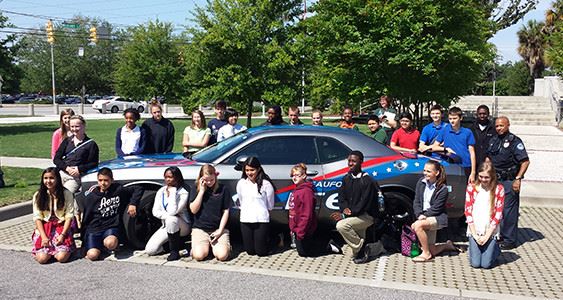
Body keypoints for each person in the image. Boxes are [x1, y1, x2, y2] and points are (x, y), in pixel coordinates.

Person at [330, 151, 383, 264]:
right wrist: (344, 208)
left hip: (366, 216)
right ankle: (373, 248)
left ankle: (362, 247)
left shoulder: (367, 180)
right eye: (349, 161)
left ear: (361, 162)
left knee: (341, 225)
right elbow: (341, 197)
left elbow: (364, 203)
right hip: (354, 215)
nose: (351, 164)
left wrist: (346, 214)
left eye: (354, 161)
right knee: (355, 252)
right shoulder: (346, 178)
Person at [486, 116, 530, 250]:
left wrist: (518, 178)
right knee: (495, 208)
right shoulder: (493, 140)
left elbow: (525, 161)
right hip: (495, 180)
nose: (499, 128)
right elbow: (489, 157)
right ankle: (498, 234)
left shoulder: (515, 142)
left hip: (509, 180)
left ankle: (509, 239)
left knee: (508, 210)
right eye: (497, 126)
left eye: (501, 126)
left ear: (508, 125)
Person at [81, 168, 142, 261]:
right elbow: (86, 218)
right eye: (100, 180)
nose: (103, 183)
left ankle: (109, 246)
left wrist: (133, 203)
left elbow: (138, 189)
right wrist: (83, 240)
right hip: (95, 229)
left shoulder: (117, 190)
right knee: (92, 256)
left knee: (111, 243)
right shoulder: (91, 197)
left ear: (112, 180)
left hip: (110, 227)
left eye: (106, 180)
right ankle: (98, 247)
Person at [289, 163, 342, 257]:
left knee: (304, 252)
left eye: (297, 175)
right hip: (297, 228)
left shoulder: (306, 192)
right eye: (293, 175)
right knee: (301, 250)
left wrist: (301, 230)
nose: (294, 178)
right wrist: (293, 228)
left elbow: (307, 214)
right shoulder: (296, 190)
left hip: (304, 228)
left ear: (304, 176)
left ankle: (328, 246)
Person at [411, 160, 459, 262]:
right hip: (423, 216)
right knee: (433, 250)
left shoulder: (443, 189)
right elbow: (417, 201)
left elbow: (437, 208)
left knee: (418, 226)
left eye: (428, 171)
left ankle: (426, 254)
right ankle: (447, 245)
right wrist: (419, 214)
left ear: (436, 173)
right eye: (424, 171)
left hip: (437, 217)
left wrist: (424, 216)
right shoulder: (421, 182)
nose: (425, 173)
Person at [145, 167, 191, 261]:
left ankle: (174, 252)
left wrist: (173, 192)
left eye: (170, 177)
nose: (167, 180)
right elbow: (155, 211)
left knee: (172, 219)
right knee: (151, 250)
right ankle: (177, 245)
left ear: (177, 178)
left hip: (183, 225)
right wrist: (166, 216)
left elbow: (173, 211)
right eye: (166, 177)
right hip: (167, 224)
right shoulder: (161, 191)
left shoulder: (183, 193)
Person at [465, 161, 505, 269]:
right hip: (475, 228)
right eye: (481, 176)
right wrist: (475, 234)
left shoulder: (499, 189)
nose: (483, 180)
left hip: (490, 229)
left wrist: (487, 235)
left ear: (492, 177)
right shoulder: (471, 187)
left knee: (486, 265)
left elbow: (498, 215)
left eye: (486, 177)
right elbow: (468, 211)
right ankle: (474, 249)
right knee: (476, 264)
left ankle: (495, 250)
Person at [31, 167, 75, 264]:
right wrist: (44, 237)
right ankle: (48, 252)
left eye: (51, 178)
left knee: (61, 258)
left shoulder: (66, 194)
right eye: (45, 178)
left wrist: (63, 235)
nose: (48, 181)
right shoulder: (38, 195)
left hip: (62, 226)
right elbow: (37, 217)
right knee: (42, 259)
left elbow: (69, 216)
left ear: (57, 179)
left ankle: (63, 249)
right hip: (45, 226)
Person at [189, 164, 232, 261]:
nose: (209, 182)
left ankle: (220, 248)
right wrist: (201, 191)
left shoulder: (223, 189)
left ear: (216, 177)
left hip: (218, 228)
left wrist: (220, 230)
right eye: (206, 180)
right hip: (200, 228)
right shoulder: (195, 188)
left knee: (222, 256)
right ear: (201, 178)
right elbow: (193, 210)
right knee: (199, 256)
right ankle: (201, 248)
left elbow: (226, 211)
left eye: (211, 180)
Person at [236, 157, 275, 256]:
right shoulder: (241, 183)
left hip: (261, 220)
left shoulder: (266, 184)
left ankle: (275, 239)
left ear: (258, 169)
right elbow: (241, 200)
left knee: (260, 252)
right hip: (246, 219)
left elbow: (270, 204)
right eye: (247, 170)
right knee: (250, 251)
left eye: (252, 170)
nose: (249, 173)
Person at [53, 115, 99, 194]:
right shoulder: (67, 141)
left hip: (74, 178)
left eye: (77, 126)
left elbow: (93, 163)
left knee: (65, 195)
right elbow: (56, 159)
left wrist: (79, 169)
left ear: (83, 126)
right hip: (61, 174)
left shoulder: (91, 144)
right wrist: (66, 168)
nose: (74, 129)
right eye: (72, 126)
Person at [432, 107, 476, 183]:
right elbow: (434, 147)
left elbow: (472, 153)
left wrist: (473, 172)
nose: (452, 121)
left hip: (465, 165)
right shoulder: (445, 130)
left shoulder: (467, 132)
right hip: (449, 166)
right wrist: (446, 149)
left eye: (454, 118)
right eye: (450, 119)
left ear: (461, 118)